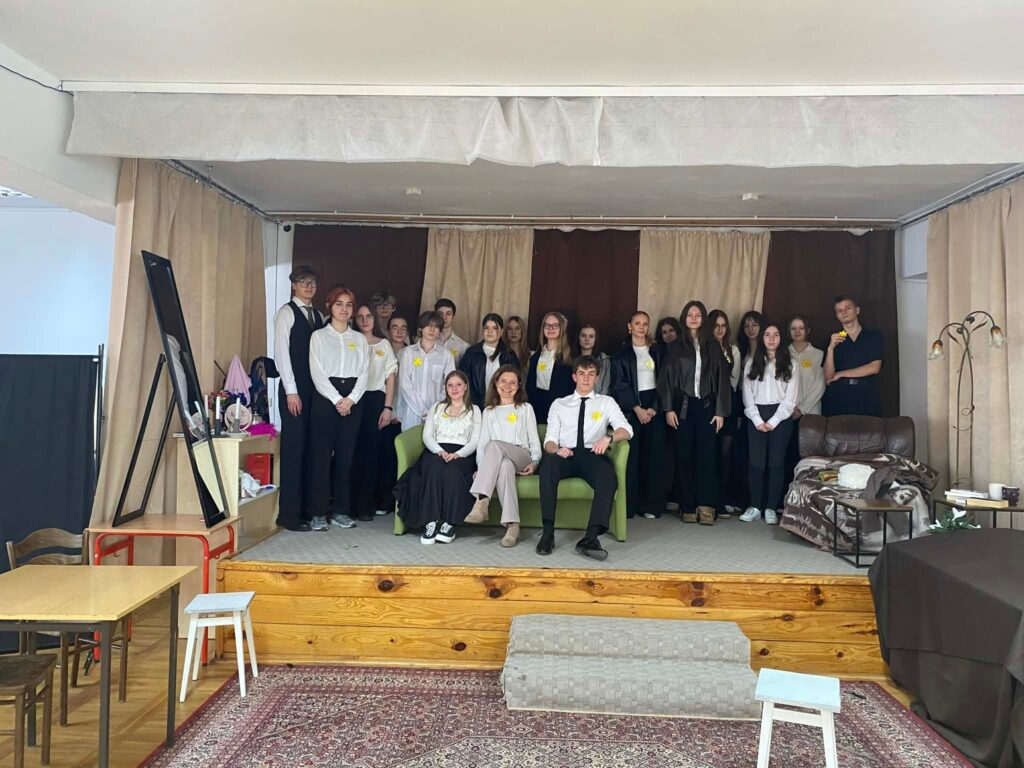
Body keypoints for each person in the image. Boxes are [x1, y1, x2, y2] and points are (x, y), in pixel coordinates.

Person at [538, 355, 633, 560]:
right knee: (547, 469)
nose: (586, 378)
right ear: (574, 377)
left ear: (597, 378)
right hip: (566, 454)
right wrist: (556, 450)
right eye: (581, 374)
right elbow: (549, 441)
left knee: (608, 478)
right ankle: (547, 533)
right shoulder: (559, 404)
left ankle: (590, 538)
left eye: (591, 374)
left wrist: (608, 438)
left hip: (593, 455)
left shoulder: (606, 402)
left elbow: (627, 430)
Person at [657, 300, 731, 525]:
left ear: (704, 318)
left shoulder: (713, 346)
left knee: (707, 456)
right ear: (684, 318)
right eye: (690, 314)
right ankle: (687, 505)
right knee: (684, 455)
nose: (694, 318)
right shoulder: (675, 346)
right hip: (682, 406)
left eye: (698, 315)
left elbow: (722, 379)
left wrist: (720, 411)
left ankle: (706, 505)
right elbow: (665, 379)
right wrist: (668, 408)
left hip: (707, 407)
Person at [308, 284, 369, 531]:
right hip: (326, 398)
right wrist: (336, 400)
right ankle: (318, 512)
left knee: (346, 456)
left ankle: (341, 510)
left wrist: (351, 399)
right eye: (339, 304)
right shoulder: (319, 337)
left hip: (353, 400)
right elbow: (317, 372)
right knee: (321, 457)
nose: (344, 309)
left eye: (348, 305)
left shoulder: (359, 339)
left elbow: (364, 372)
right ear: (329, 307)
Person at [395, 370, 481, 545]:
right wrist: (439, 451)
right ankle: (431, 521)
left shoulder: (475, 410)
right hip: (436, 450)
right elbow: (427, 436)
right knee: (434, 467)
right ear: (445, 388)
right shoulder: (437, 407)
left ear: (465, 387)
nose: (454, 388)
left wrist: (458, 454)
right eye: (450, 385)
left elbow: (475, 440)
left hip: (462, 453)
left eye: (458, 384)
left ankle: (450, 523)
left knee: (452, 471)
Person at [464, 364, 542, 547]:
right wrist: (482, 468)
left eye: (512, 382)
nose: (507, 386)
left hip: (522, 455)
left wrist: (535, 462)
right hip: (501, 461)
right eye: (503, 381)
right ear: (496, 383)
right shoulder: (488, 412)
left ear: (519, 385)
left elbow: (534, 441)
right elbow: (482, 446)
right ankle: (512, 525)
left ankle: (481, 501)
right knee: (505, 465)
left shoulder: (525, 408)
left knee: (494, 446)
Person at [272, 265, 323, 532]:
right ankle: (289, 515)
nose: (308, 286)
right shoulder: (286, 313)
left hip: (316, 389)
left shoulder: (318, 315)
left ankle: (307, 510)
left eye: (312, 282)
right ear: (294, 285)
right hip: (295, 389)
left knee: (311, 449)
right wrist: (291, 391)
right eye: (303, 282)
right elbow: (281, 353)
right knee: (294, 450)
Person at [739, 322, 799, 526]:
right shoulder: (751, 362)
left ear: (781, 338)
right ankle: (755, 506)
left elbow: (790, 400)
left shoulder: (790, 363)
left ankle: (771, 507)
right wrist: (757, 419)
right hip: (755, 415)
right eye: (767, 334)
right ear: (762, 338)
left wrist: (773, 421)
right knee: (756, 464)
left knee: (776, 464)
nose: (771, 339)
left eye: (776, 334)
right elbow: (747, 394)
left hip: (780, 417)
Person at [610, 311, 666, 519]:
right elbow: (619, 385)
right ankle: (630, 505)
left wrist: (655, 407)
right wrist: (637, 408)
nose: (641, 327)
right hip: (631, 409)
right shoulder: (620, 355)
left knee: (653, 457)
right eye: (637, 323)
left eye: (645, 324)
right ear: (629, 327)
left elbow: (665, 381)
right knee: (632, 457)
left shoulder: (658, 352)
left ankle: (650, 505)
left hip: (654, 406)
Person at [351, 304, 398, 521]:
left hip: (375, 400)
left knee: (371, 455)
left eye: (368, 316)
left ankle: (365, 505)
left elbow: (390, 377)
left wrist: (387, 407)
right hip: (353, 400)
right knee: (352, 453)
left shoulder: (383, 344)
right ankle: (347, 504)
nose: (365, 320)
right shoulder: (350, 341)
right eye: (360, 317)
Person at [708, 309, 743, 518]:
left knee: (725, 454)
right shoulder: (703, 347)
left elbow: (734, 381)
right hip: (707, 404)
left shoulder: (734, 350)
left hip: (728, 403)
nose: (720, 330)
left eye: (723, 326)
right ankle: (708, 498)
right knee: (708, 453)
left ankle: (723, 498)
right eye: (716, 326)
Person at [823, 295, 884, 417]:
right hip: (839, 396)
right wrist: (830, 349)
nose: (844, 312)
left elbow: (874, 367)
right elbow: (828, 377)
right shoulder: (834, 338)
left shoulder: (873, 335)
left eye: (848, 308)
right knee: (838, 428)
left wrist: (841, 374)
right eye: (839, 310)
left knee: (869, 428)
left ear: (857, 310)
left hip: (866, 394)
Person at [395, 311, 455, 431]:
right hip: (411, 410)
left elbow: (450, 384)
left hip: (437, 412)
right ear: (421, 328)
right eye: (428, 325)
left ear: (439, 331)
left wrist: (435, 409)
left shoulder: (446, 355)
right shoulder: (409, 352)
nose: (432, 330)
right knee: (409, 441)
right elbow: (405, 383)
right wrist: (422, 410)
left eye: (436, 326)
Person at [786, 314, 827, 484]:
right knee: (788, 455)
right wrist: (790, 407)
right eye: (793, 328)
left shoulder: (818, 354)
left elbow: (820, 384)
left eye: (801, 328)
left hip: (811, 413)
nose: (797, 332)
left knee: (811, 458)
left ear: (808, 330)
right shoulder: (783, 353)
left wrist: (801, 408)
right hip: (786, 413)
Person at [458, 313, 519, 406]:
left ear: (501, 331)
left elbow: (516, 381)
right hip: (475, 405)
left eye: (494, 328)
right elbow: (463, 379)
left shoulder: (509, 354)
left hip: (502, 405)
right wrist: (473, 403)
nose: (490, 331)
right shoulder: (471, 353)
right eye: (487, 328)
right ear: (483, 330)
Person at [654, 316, 683, 513]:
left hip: (681, 405)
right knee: (664, 454)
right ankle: (663, 495)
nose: (668, 335)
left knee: (680, 451)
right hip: (660, 407)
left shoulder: (685, 351)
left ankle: (677, 495)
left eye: (671, 330)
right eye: (664, 332)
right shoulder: (657, 352)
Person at [526, 311, 574, 423]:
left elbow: (570, 389)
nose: (550, 328)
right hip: (536, 409)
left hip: (560, 411)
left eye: (555, 325)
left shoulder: (569, 358)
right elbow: (530, 386)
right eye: (547, 325)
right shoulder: (535, 357)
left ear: (561, 328)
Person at [434, 298, 470, 365]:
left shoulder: (463, 347)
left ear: (454, 317)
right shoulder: (426, 342)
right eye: (440, 314)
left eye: (448, 314)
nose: (444, 317)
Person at [577, 324, 611, 395]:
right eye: (583, 336)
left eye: (591, 336)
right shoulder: (570, 360)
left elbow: (606, 387)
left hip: (599, 400)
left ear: (595, 339)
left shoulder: (604, 361)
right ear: (578, 338)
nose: (587, 339)